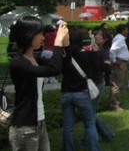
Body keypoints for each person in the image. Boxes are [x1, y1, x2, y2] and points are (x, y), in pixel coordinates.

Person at [8, 17, 69, 150]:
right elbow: (53, 70)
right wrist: (57, 42)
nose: (43, 38)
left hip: (40, 121)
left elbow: (62, 66)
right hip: (25, 127)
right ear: (28, 35)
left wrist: (65, 42)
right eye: (40, 33)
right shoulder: (19, 62)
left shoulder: (34, 59)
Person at [60, 26, 102, 151]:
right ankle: (94, 148)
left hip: (66, 91)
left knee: (67, 126)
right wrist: (95, 54)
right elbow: (96, 69)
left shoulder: (64, 57)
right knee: (89, 124)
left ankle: (68, 148)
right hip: (82, 92)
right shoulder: (87, 55)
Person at [109, 24, 129, 111]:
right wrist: (114, 60)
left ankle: (113, 103)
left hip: (120, 62)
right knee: (116, 85)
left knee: (116, 84)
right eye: (126, 29)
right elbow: (113, 50)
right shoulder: (120, 39)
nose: (128, 31)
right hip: (119, 64)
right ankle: (115, 105)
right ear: (122, 30)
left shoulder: (119, 38)